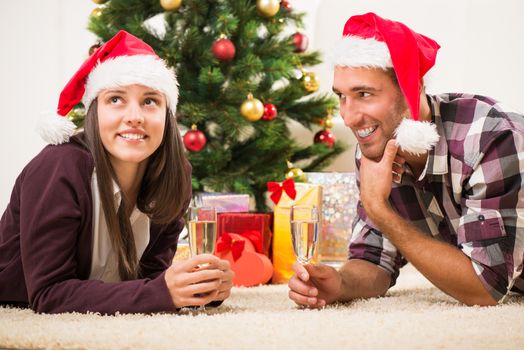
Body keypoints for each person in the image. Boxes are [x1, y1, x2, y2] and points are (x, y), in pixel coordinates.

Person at [288, 12, 524, 307]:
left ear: (412, 87)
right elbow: (372, 259)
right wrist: (340, 285)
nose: (347, 117)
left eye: (364, 93)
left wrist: (380, 209)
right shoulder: (378, 144)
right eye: (342, 96)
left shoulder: (491, 136)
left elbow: (487, 287)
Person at [0, 30, 234, 314]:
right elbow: (49, 294)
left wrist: (197, 288)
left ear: (167, 115)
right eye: (116, 99)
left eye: (150, 101)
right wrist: (161, 292)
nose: (134, 116)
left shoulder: (174, 174)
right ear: (94, 113)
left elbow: (148, 277)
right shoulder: (57, 168)